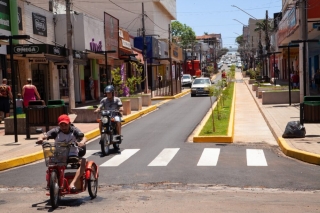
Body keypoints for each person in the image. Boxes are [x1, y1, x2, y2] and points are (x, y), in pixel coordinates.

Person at [37, 114, 87, 191]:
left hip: (72, 154)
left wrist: (82, 142)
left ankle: (73, 183)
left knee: (83, 162)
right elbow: (44, 135)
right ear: (59, 125)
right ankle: (51, 182)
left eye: (65, 125)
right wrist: (40, 138)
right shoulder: (56, 131)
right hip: (59, 154)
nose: (63, 127)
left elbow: (83, 137)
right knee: (51, 164)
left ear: (69, 124)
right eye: (61, 125)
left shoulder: (74, 130)